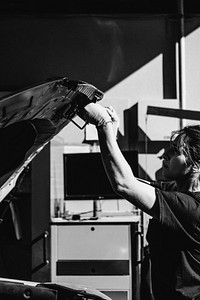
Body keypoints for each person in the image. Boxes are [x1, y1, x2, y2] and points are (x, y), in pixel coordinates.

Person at [78, 102, 200, 300]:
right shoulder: (175, 190)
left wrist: (103, 126)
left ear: (196, 165)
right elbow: (131, 181)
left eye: (176, 151)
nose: (165, 154)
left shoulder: (189, 208)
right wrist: (113, 132)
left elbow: (124, 185)